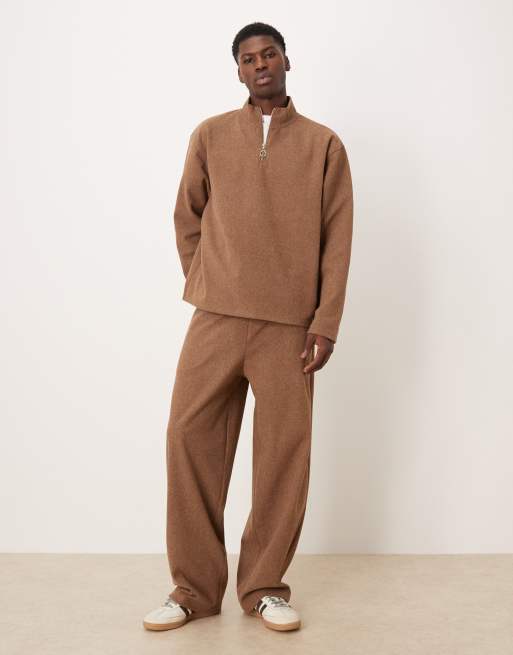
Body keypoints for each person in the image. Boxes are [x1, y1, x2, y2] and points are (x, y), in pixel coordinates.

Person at [143, 21, 353, 633]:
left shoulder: (323, 145)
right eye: (248, 58)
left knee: (283, 454)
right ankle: (193, 589)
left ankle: (263, 586)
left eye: (269, 54)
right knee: (189, 438)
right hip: (216, 318)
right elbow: (187, 216)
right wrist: (207, 282)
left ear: (287, 61)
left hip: (290, 327)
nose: (260, 64)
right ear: (237, 70)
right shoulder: (210, 135)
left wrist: (326, 321)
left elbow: (337, 239)